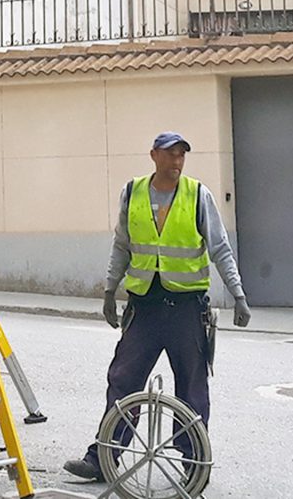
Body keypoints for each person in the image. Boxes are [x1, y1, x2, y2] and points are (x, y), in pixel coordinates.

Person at [64, 131, 252, 482]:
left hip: (185, 308)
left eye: (182, 155)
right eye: (170, 155)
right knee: (122, 381)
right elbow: (121, 245)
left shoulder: (198, 195)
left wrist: (238, 295)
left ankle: (194, 467)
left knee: (192, 390)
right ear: (154, 156)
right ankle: (103, 459)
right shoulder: (133, 192)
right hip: (145, 307)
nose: (177, 162)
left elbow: (220, 248)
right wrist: (109, 291)